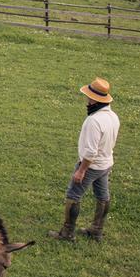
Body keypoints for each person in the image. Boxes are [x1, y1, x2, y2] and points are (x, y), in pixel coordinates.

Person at [49, 77, 120, 242]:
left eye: (89, 97)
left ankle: (67, 233)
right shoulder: (113, 116)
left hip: (91, 166)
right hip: (106, 164)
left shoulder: (93, 121)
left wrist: (82, 170)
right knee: (103, 196)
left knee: (73, 195)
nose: (87, 100)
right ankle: (97, 230)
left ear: (95, 99)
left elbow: (90, 152)